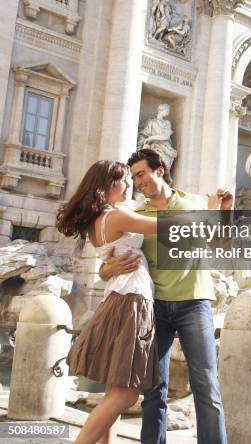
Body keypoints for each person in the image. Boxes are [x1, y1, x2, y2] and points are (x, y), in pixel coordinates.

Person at [99, 149, 233, 444]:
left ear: (160, 170)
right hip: (153, 308)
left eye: (141, 174)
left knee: (207, 387)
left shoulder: (196, 202)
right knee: (153, 391)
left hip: (194, 303)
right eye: (133, 177)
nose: (137, 182)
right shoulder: (135, 214)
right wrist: (108, 269)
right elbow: (105, 268)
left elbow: (220, 247)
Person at [56, 160, 160, 444]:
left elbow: (109, 263)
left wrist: (104, 269)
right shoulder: (115, 217)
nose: (129, 185)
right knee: (126, 394)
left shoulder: (97, 221)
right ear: (106, 186)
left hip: (117, 298)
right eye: (124, 180)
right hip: (133, 301)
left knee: (114, 389)